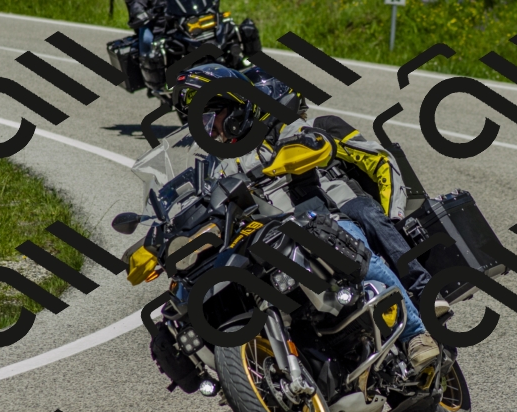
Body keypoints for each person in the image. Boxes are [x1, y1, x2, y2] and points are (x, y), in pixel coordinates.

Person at [172, 64, 449, 372]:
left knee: (360, 245)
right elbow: (206, 203)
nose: (207, 130)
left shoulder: (289, 131)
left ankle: (416, 332)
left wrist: (394, 213)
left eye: (210, 118)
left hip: (314, 220)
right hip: (264, 239)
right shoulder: (218, 164)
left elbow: (337, 148)